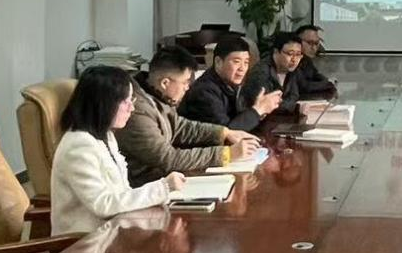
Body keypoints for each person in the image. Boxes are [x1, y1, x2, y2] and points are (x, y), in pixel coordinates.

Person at [51, 66, 187, 235]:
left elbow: (122, 193)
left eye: (132, 100)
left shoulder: (106, 136)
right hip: (84, 242)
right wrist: (163, 187)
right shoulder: (78, 145)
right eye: (126, 101)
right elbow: (103, 205)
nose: (132, 108)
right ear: (104, 104)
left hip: (112, 232)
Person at [116, 46, 260, 187]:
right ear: (165, 83)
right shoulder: (136, 110)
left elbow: (180, 127)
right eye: (185, 82)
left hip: (164, 179)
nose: (187, 87)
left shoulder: (158, 95)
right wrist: (226, 154)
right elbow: (168, 159)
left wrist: (225, 133)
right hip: (146, 186)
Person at [179, 37, 281, 131]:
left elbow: (238, 119)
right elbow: (225, 133)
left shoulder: (232, 84)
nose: (242, 68)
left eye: (246, 62)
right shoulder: (204, 91)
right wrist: (258, 110)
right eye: (236, 62)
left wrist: (260, 112)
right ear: (218, 62)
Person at [243, 31, 304, 115]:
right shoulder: (261, 71)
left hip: (281, 117)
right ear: (276, 52)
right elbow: (266, 104)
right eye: (290, 54)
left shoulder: (290, 70)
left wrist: (288, 105)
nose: (294, 59)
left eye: (298, 55)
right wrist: (295, 107)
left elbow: (294, 96)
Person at [294, 24, 334, 97]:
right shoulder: (291, 61)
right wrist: (328, 83)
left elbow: (317, 76)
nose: (314, 48)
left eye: (316, 43)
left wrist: (328, 82)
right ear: (297, 42)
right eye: (310, 43)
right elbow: (304, 86)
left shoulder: (307, 61)